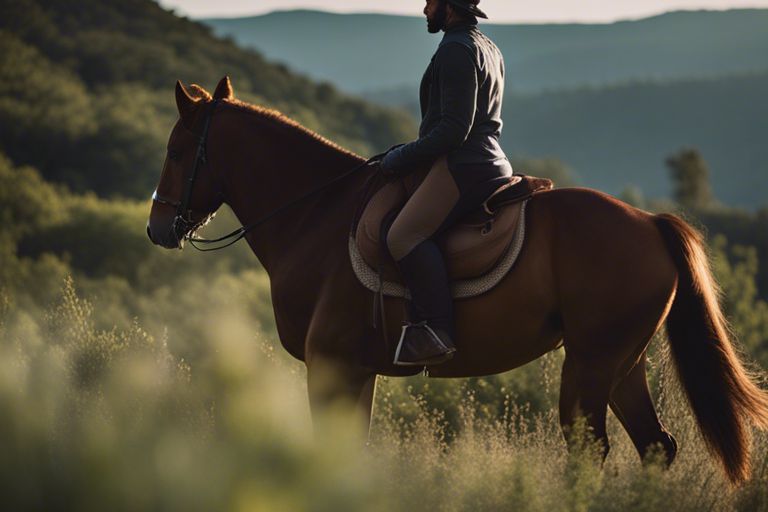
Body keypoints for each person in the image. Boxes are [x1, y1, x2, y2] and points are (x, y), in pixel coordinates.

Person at [379, 0, 514, 366]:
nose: (425, 9)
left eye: (430, 2)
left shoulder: (455, 49)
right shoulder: (487, 45)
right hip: (491, 161)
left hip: (463, 164)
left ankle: (435, 331)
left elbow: (454, 131)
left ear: (449, 6)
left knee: (401, 236)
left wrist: (399, 158)